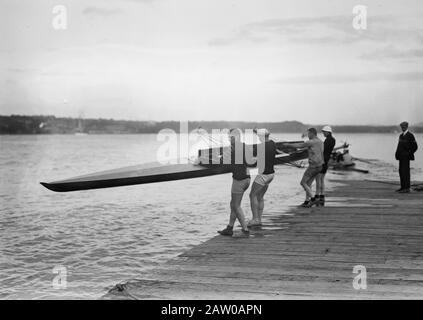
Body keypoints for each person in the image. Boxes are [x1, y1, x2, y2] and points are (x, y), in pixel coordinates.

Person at [218, 128, 252, 237]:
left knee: (236, 206)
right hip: (247, 179)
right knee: (233, 204)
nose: (229, 139)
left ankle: (245, 229)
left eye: (230, 137)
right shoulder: (245, 146)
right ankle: (229, 228)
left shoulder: (233, 149)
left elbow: (223, 160)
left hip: (239, 180)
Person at [248, 128, 284, 227]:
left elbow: (249, 155)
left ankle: (255, 219)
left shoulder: (260, 146)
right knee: (260, 197)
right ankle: (259, 219)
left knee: (252, 195)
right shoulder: (272, 143)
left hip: (263, 175)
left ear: (261, 136)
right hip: (271, 174)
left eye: (258, 136)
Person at [291, 128, 324, 207]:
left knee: (303, 183)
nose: (308, 135)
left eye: (308, 134)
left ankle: (313, 199)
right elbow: (313, 149)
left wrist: (288, 145)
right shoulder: (320, 142)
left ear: (312, 133)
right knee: (308, 183)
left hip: (313, 166)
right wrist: (304, 149)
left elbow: (300, 145)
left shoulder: (311, 142)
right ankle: (307, 201)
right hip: (320, 166)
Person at [395, 121, 418, 193]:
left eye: (404, 127)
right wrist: (396, 154)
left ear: (407, 127)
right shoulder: (401, 136)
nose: (402, 128)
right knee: (401, 171)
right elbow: (399, 146)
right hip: (401, 157)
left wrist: (409, 153)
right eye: (402, 127)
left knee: (406, 172)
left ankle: (406, 188)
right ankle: (402, 187)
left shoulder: (410, 135)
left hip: (406, 157)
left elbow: (415, 147)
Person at [315, 126, 336, 206]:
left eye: (324, 132)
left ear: (328, 132)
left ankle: (317, 196)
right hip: (326, 161)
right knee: (322, 179)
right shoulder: (333, 140)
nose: (323, 133)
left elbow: (322, 150)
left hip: (322, 161)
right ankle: (322, 195)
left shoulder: (328, 140)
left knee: (318, 179)